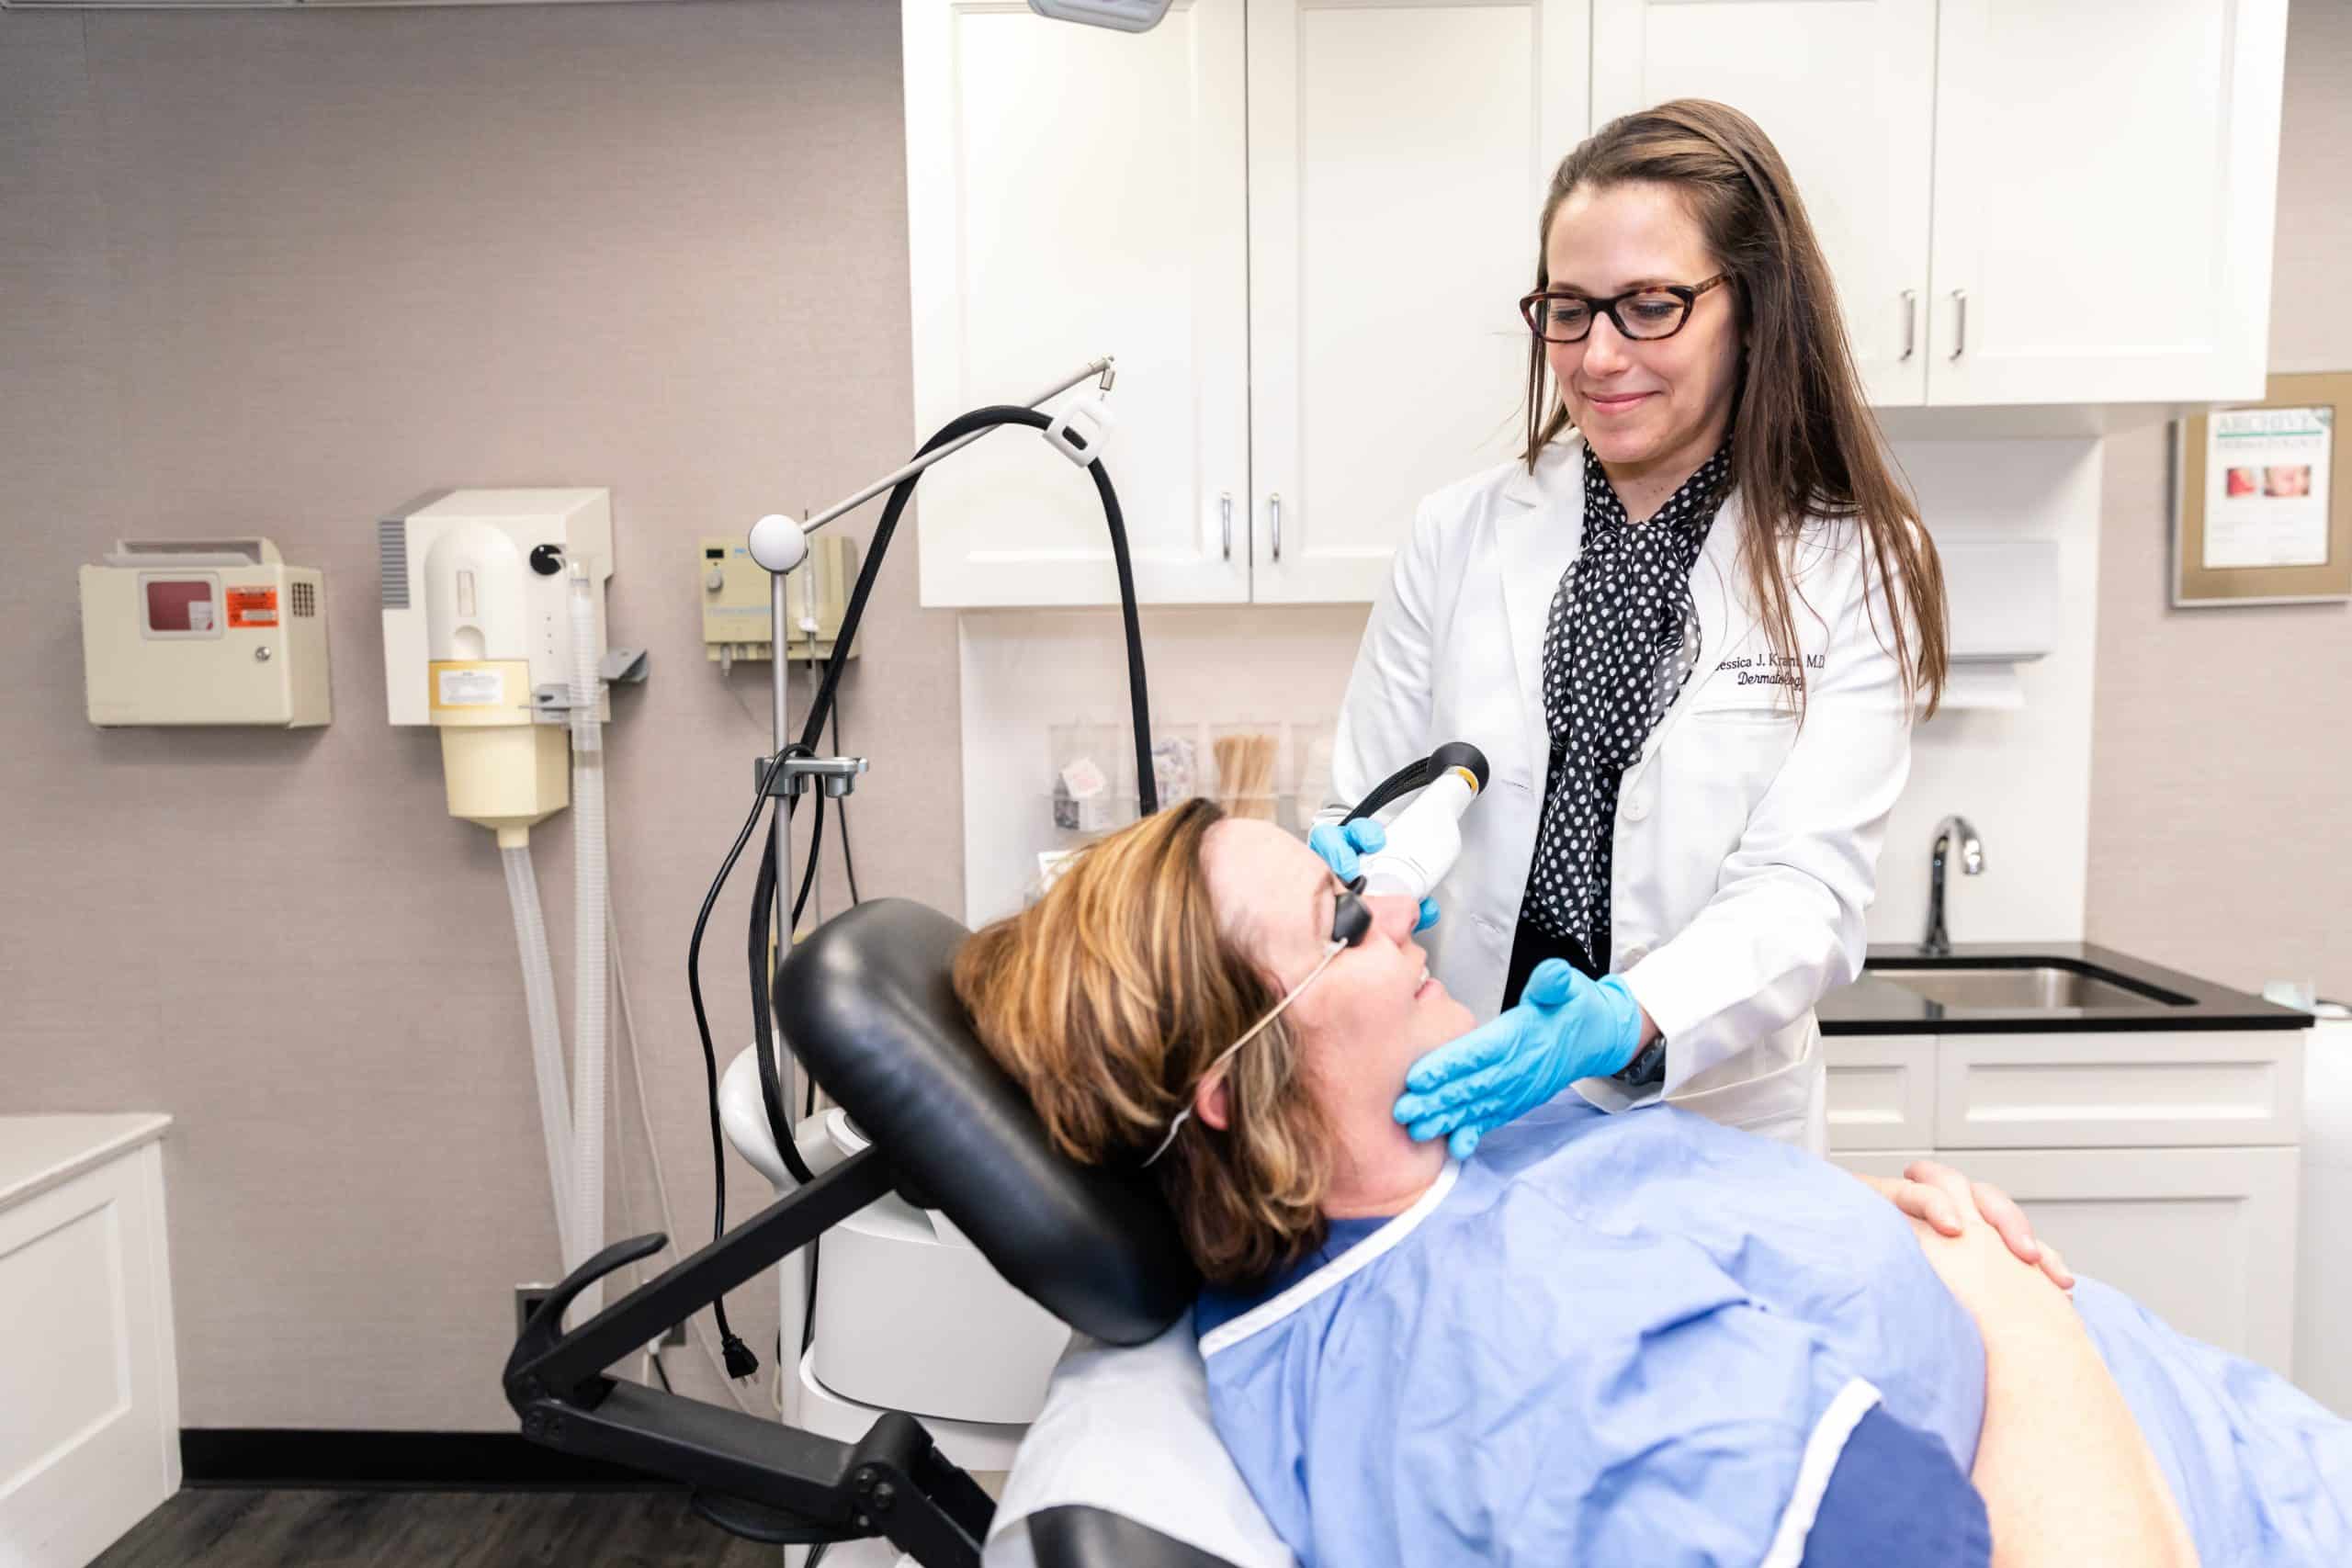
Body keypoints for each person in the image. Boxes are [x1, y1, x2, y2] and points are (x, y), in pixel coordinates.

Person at [958, 802, 2352, 1567]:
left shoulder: (1451, 1167)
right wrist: (2011, 1312)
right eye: (1341, 913)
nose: (1402, 903)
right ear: (1225, 1080)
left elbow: (1669, 1224)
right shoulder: (1524, 1370)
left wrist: (1884, 1212)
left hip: (2249, 1442)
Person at [1313, 100, 1949, 1156]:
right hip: (1456, 1091)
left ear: (1752, 308)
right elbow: (1373, 797)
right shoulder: (1458, 533)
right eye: (1568, 309)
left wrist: (1627, 1017)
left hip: (1707, 1113)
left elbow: (1806, 892)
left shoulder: (1858, 564)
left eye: (1649, 305)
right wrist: (1363, 873)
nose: (1598, 356)